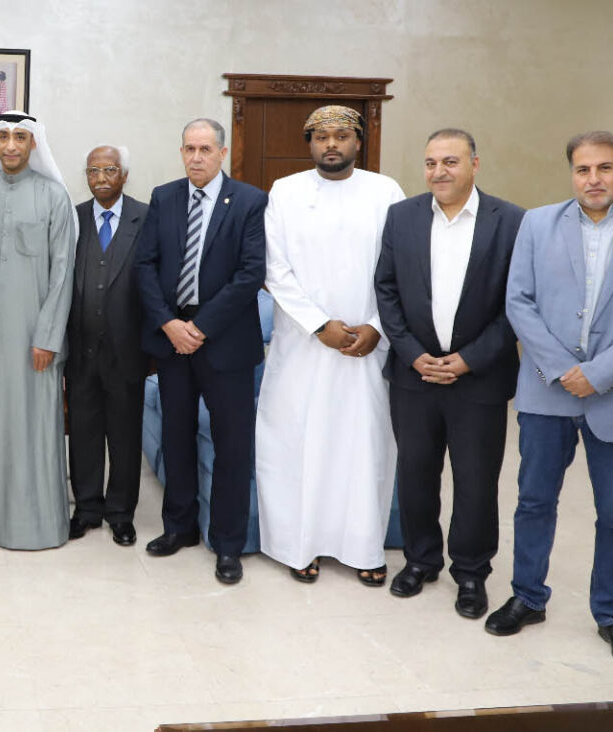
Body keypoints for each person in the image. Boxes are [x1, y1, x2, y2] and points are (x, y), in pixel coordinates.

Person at [487, 131, 613, 673]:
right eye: (582, 169)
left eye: (604, 168)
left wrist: (596, 376)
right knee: (534, 501)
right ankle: (527, 597)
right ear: (571, 174)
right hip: (546, 389)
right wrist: (562, 369)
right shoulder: (536, 225)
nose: (593, 179)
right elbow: (519, 302)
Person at [373, 129, 525, 619]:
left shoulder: (512, 221)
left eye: (451, 161)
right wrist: (412, 353)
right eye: (431, 162)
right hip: (413, 374)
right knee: (415, 473)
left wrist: (469, 359)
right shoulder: (402, 216)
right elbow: (386, 289)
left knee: (476, 479)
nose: (439, 171)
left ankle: (471, 572)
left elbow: (517, 303)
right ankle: (420, 560)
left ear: (474, 165)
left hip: (479, 378)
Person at [256, 105, 406, 587]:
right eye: (322, 137)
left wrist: (377, 327)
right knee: (297, 445)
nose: (332, 144)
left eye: (342, 135)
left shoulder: (385, 192)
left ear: (358, 142)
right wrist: (319, 325)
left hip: (366, 346)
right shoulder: (286, 191)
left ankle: (363, 548)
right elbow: (275, 268)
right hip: (302, 347)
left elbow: (402, 266)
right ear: (310, 143)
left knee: (363, 448)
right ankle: (296, 546)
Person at [135, 119, 267, 583]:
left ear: (222, 153)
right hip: (172, 340)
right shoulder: (164, 197)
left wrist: (200, 327)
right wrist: (170, 324)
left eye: (205, 149)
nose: (196, 157)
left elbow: (250, 274)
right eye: (189, 149)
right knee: (177, 436)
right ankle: (179, 527)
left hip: (226, 343)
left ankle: (228, 544)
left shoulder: (249, 200)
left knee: (232, 446)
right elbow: (145, 265)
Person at [0, 112, 77, 550]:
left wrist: (47, 336)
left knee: (34, 427)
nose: (11, 145)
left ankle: (37, 524)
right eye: (4, 137)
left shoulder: (54, 195)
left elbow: (63, 273)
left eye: (20, 137)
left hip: (35, 339)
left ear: (33, 144)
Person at [66, 145, 149, 546]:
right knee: (82, 432)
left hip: (128, 350)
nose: (100, 178)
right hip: (80, 349)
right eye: (93, 171)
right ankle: (86, 509)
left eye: (109, 170)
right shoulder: (72, 218)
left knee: (124, 436)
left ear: (124, 175)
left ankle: (120, 513)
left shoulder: (146, 217)